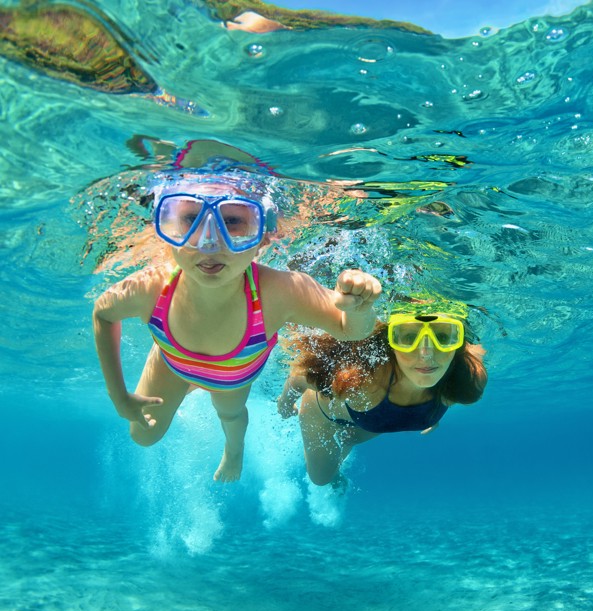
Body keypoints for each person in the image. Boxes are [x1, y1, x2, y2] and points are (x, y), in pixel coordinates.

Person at [92, 172, 381, 483]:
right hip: (172, 363)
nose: (209, 242)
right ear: (167, 228)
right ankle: (184, 377)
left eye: (231, 221)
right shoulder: (151, 288)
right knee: (142, 435)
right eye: (190, 219)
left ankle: (234, 451)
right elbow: (103, 314)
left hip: (230, 378)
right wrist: (118, 396)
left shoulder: (278, 293)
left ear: (263, 237)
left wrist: (360, 309)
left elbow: (350, 330)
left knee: (229, 415)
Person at [277, 307, 487, 487]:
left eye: (442, 337)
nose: (426, 354)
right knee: (321, 479)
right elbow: (299, 377)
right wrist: (285, 404)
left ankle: (346, 441)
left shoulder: (468, 378)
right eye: (409, 337)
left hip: (371, 421)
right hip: (325, 418)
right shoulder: (362, 380)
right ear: (391, 342)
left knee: (348, 439)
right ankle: (336, 474)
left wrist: (434, 414)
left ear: (458, 343)